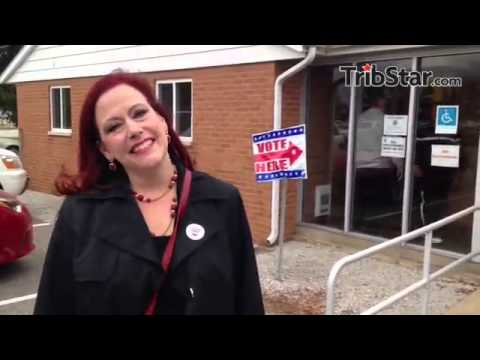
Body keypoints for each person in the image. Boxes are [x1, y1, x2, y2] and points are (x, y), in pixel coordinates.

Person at [33, 72, 264, 315]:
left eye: (139, 113)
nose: (133, 129)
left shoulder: (222, 201)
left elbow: (247, 302)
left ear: (163, 121)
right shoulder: (79, 215)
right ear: (105, 150)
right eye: (114, 126)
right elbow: (53, 305)